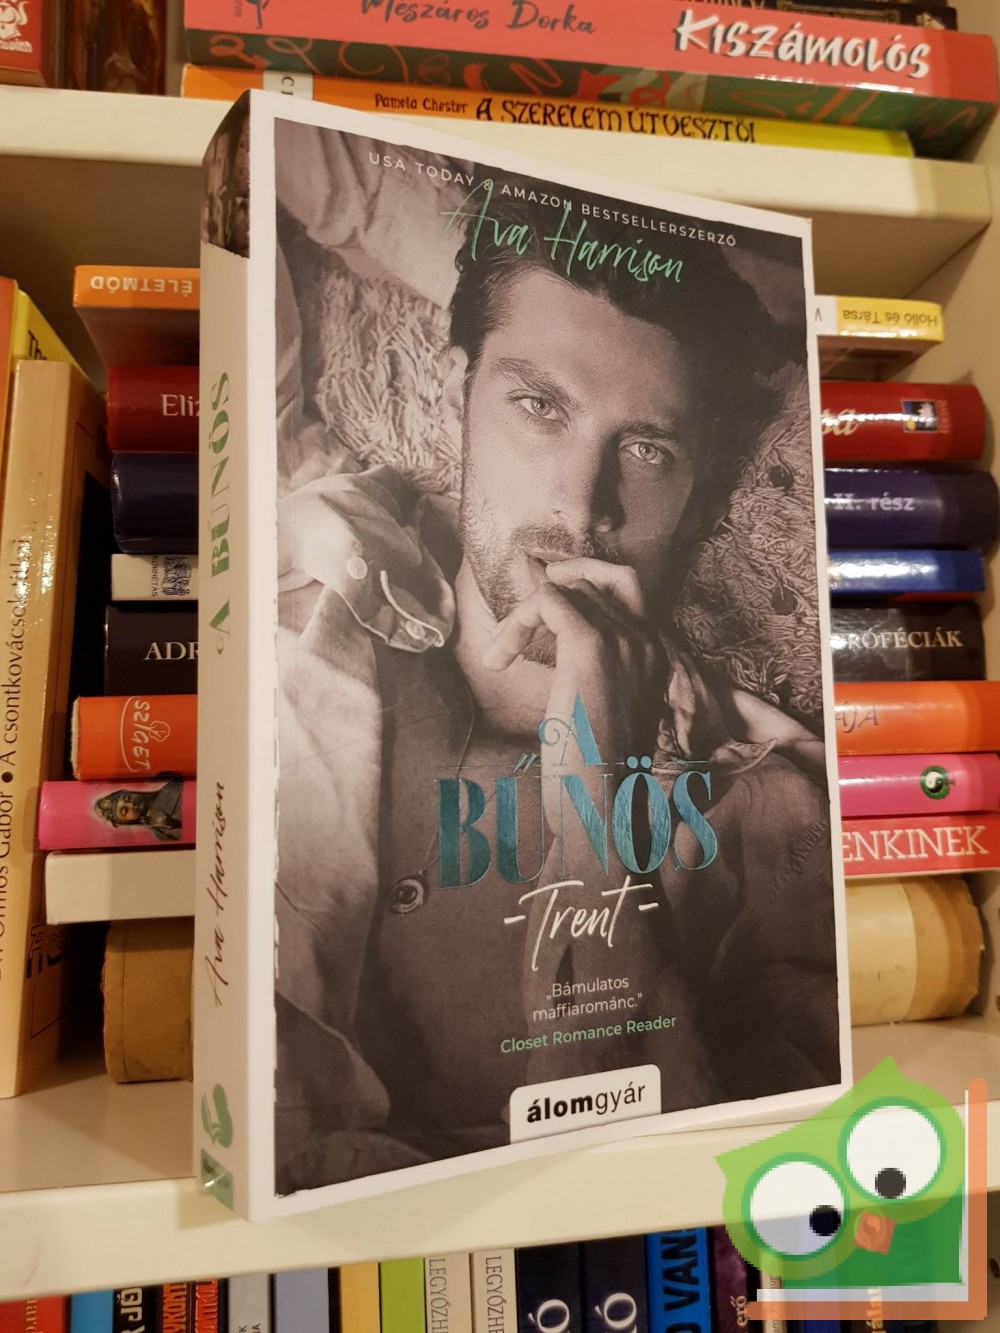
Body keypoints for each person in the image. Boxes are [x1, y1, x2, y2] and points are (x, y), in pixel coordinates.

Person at [273, 169, 840, 1195]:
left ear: (704, 487)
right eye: (538, 405)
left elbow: (688, 1186)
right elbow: (273, 170)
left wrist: (599, 807)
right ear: (458, 390)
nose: (580, 507)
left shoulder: (769, 812)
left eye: (646, 448)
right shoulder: (314, 557)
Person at [94, 780, 184, 842]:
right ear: (127, 821)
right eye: (125, 811)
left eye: (128, 798)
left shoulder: (170, 788)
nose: (131, 805)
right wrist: (172, 824)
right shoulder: (161, 834)